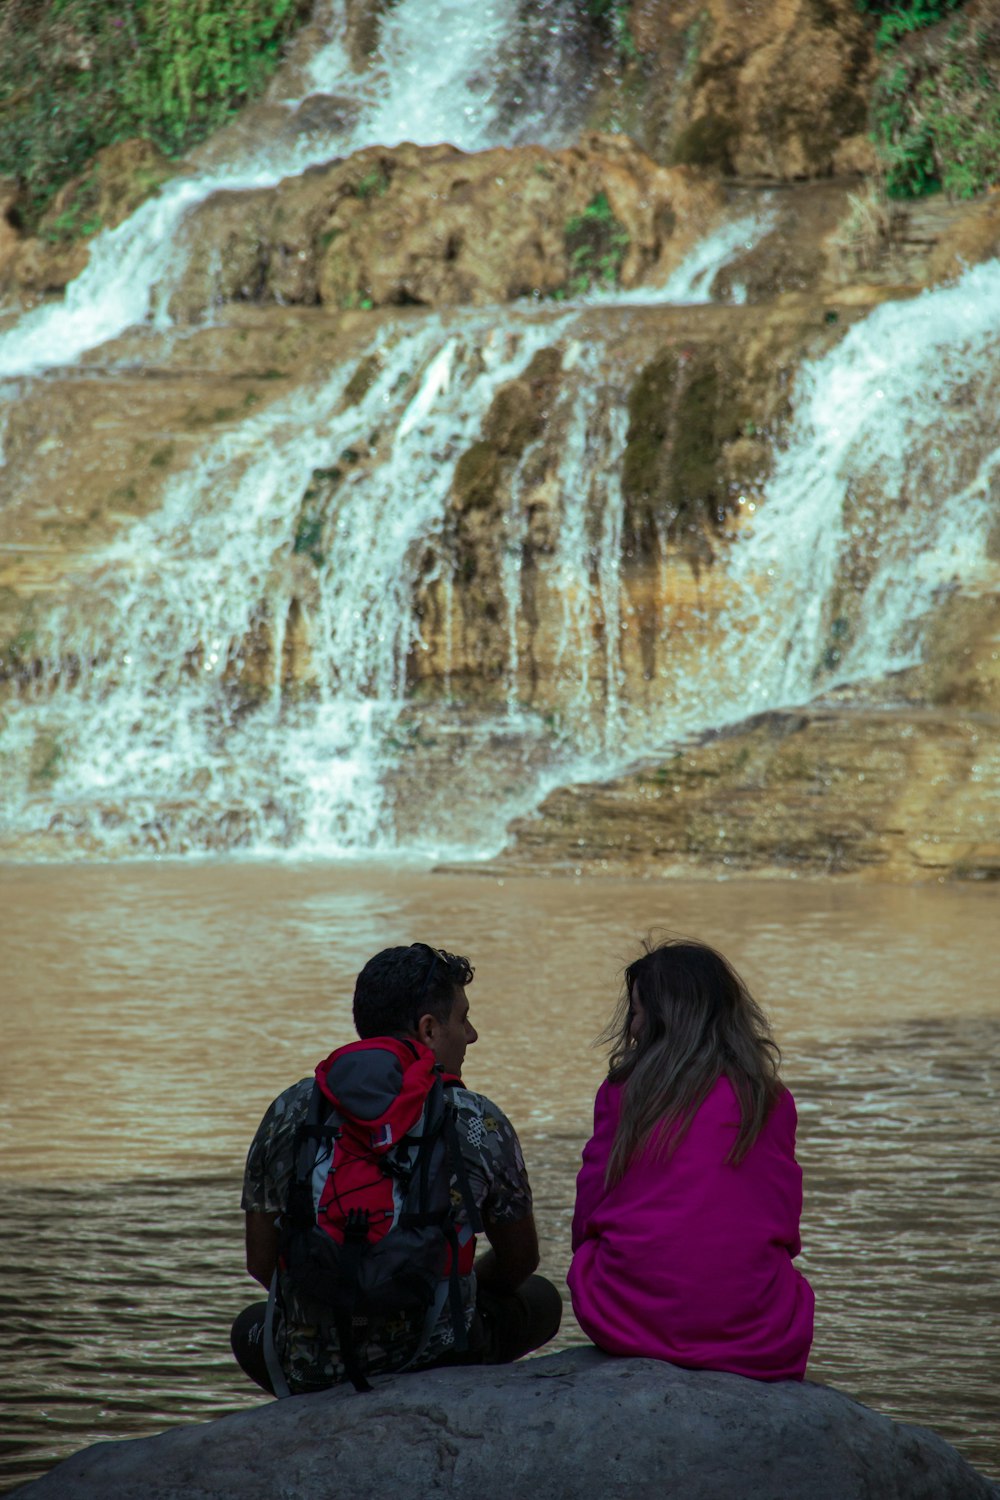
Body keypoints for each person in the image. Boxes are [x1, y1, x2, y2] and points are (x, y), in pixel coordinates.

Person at [232, 942, 562, 1395]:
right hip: (440, 1358)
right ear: (428, 1029)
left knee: (248, 1326)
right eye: (462, 1018)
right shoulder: (476, 1119)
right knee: (542, 1299)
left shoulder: (292, 1109)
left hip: (312, 1368)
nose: (472, 1035)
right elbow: (520, 1260)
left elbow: (261, 1261)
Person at [568, 937, 814, 1381]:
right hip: (758, 1337)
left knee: (590, 1254)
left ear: (665, 1020)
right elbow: (785, 1226)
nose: (632, 1025)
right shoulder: (770, 1099)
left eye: (638, 1011)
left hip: (625, 1321)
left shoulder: (623, 1092)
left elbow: (588, 1211)